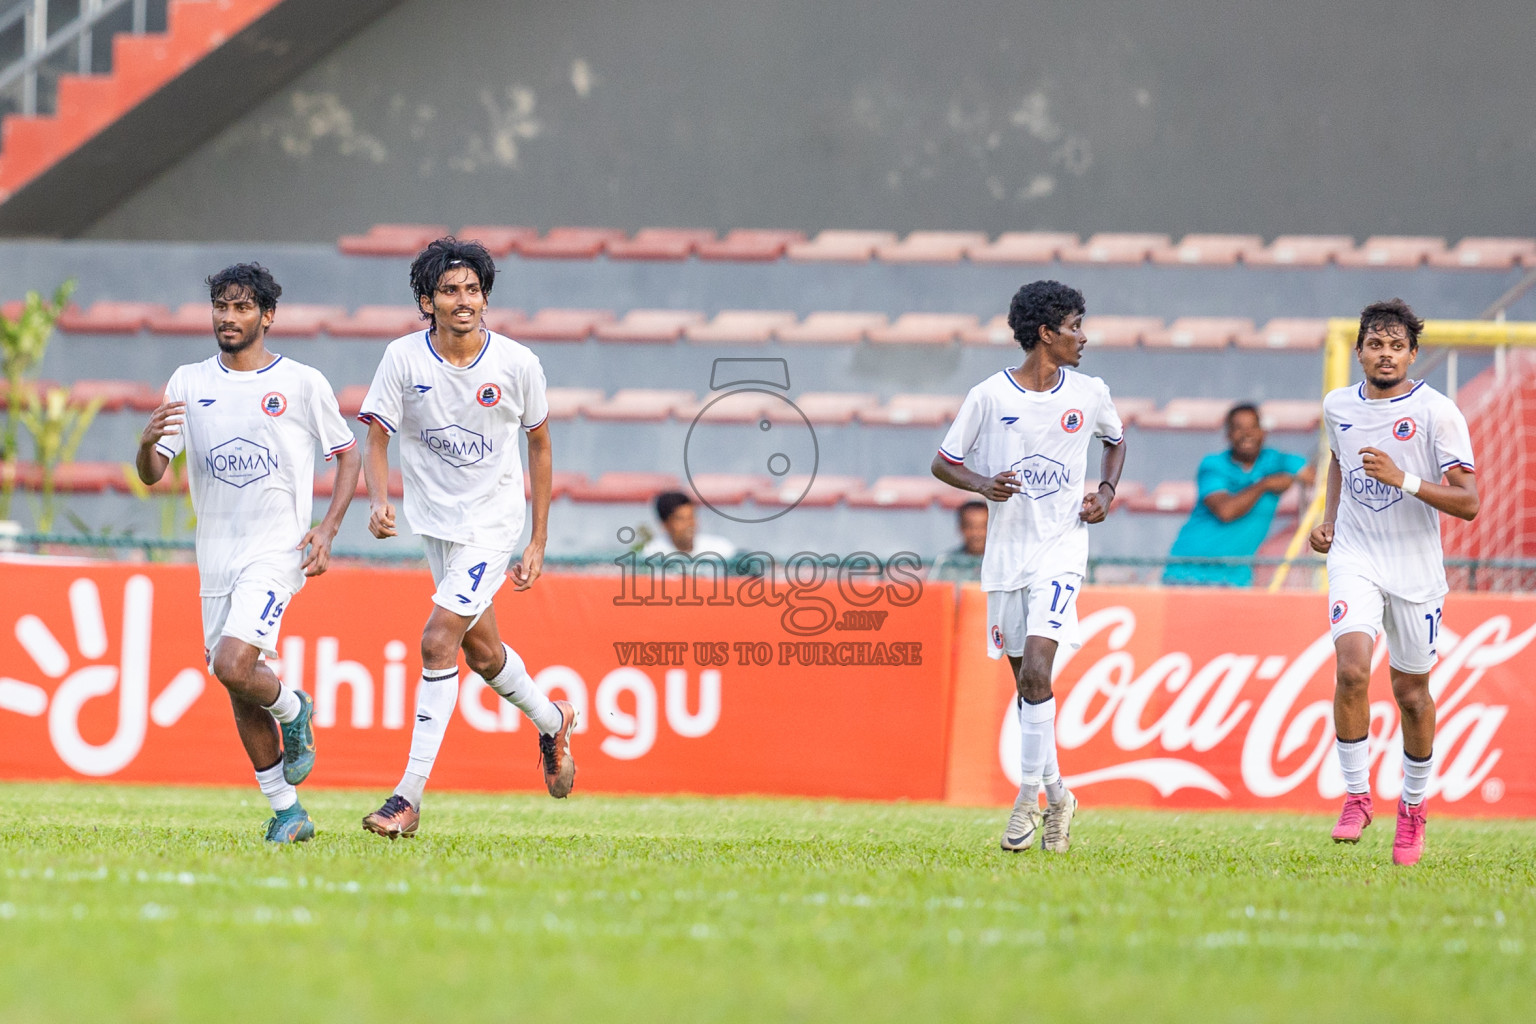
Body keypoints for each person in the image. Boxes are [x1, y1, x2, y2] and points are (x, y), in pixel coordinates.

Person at [356, 237, 576, 839]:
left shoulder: (516, 363)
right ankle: (553, 719)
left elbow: (540, 444)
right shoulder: (403, 359)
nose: (463, 301)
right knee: (482, 654)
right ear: (426, 301)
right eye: (450, 291)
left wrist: (536, 540)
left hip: (491, 524)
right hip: (436, 523)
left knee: (436, 642)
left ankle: (407, 797)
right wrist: (378, 499)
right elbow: (375, 436)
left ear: (485, 298)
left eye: (473, 290)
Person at [135, 263, 360, 843]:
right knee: (236, 683)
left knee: (232, 664)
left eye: (240, 308)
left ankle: (295, 710)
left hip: (276, 550)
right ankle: (288, 811)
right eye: (220, 306)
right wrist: (144, 444)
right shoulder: (187, 381)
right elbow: (153, 472)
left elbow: (348, 455)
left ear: (267, 316)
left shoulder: (303, 383)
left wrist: (327, 530)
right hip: (215, 555)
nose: (228, 318)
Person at [931, 280, 1126, 854]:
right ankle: (1058, 795)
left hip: (1062, 552)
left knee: (1039, 670)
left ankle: (1023, 801)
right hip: (1007, 557)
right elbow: (944, 463)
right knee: (1027, 688)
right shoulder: (990, 396)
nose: (1083, 338)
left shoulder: (1089, 393)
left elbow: (1116, 440)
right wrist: (982, 483)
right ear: (1046, 333)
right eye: (1074, 327)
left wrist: (1106, 493)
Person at [1309, 298, 1478, 867]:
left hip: (1415, 570)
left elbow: (1470, 503)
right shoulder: (1338, 404)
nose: (1385, 354)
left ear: (1412, 354)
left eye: (1396, 345)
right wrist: (1329, 519)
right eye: (1375, 344)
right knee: (1352, 669)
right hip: (1356, 557)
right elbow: (1340, 460)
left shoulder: (1438, 413)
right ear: (1359, 351)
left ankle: (1412, 808)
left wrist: (1403, 478)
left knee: (1411, 695)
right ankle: (1357, 796)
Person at [1162, 403, 1315, 586]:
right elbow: (1226, 511)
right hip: (1189, 572)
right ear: (1228, 435)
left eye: (1252, 427)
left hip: (1236, 577)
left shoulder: (1277, 460)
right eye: (1238, 428)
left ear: (1263, 432)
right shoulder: (1213, 465)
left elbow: (1314, 476)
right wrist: (1264, 485)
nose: (1247, 434)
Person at [641, 491, 738, 559]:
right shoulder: (652, 553)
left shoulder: (721, 548)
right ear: (665, 525)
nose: (689, 524)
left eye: (691, 517)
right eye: (681, 519)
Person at [928, 500, 988, 582]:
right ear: (960, 527)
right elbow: (934, 590)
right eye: (970, 526)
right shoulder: (946, 562)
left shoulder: (1003, 562)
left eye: (982, 527)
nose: (976, 533)